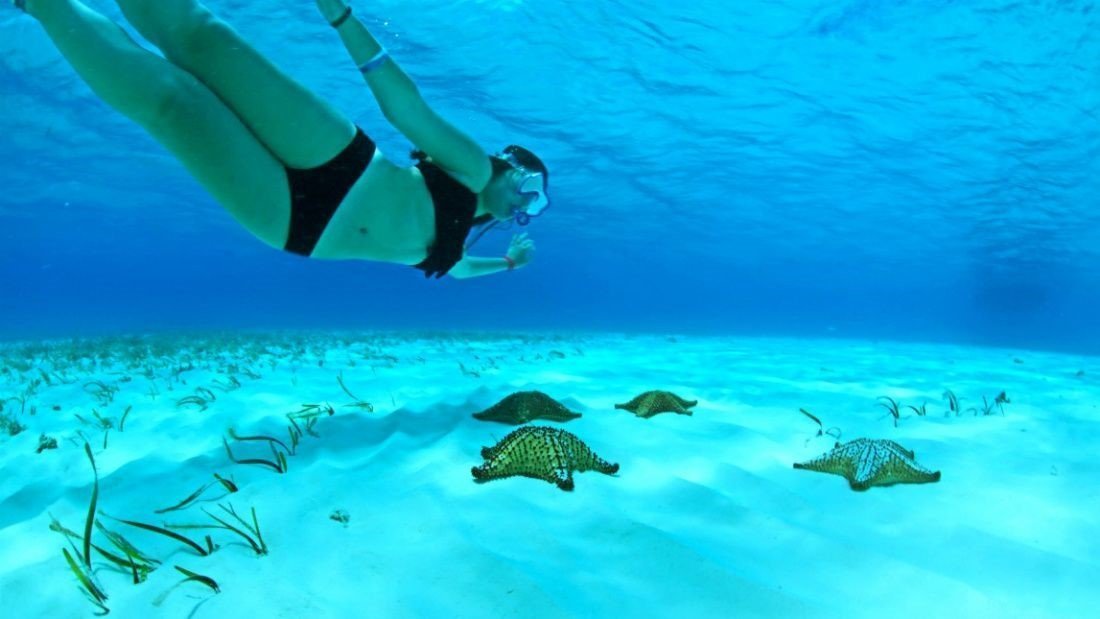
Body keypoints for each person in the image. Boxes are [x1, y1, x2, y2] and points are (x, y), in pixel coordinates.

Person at [11, 0, 547, 279]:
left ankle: (44, 5)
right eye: (532, 186)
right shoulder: (474, 168)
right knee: (202, 40)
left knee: (172, 104)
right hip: (345, 164)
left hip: (295, 227)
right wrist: (341, 16)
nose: (529, 203)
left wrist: (506, 265)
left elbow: (458, 272)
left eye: (537, 203)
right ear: (509, 167)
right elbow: (405, 107)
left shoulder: (456, 242)